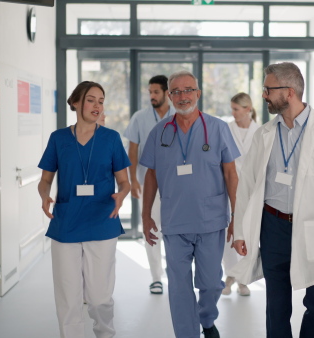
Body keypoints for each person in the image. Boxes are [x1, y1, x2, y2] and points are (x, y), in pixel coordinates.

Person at [230, 62, 314, 338]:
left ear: (289, 91)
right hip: (273, 225)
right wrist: (241, 230)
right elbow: (248, 186)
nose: (263, 95)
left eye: (268, 89)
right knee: (276, 306)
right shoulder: (264, 133)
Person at [140, 70, 240, 338]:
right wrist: (146, 215)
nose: (183, 96)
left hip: (211, 220)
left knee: (210, 284)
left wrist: (237, 216)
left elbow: (231, 174)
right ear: (169, 96)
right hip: (174, 220)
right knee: (179, 287)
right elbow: (151, 174)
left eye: (188, 90)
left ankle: (207, 318)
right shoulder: (159, 132)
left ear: (198, 93)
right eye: (177, 91)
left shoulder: (218, 128)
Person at [38, 81, 131, 338]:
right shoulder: (58, 139)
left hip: (102, 221)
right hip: (66, 223)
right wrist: (45, 195)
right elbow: (45, 180)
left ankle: (104, 333)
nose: (97, 106)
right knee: (68, 296)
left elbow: (124, 182)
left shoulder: (111, 138)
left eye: (101, 101)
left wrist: (121, 195)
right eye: (91, 100)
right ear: (76, 103)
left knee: (100, 296)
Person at [123, 75, 176, 295]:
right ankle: (156, 277)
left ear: (167, 93)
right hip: (149, 183)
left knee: (175, 230)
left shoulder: (180, 115)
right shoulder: (140, 117)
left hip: (177, 185)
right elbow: (132, 149)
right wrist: (133, 179)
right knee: (152, 228)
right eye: (150, 92)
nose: (152, 96)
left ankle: (174, 273)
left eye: (156, 92)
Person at [221, 92, 259, 297]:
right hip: (230, 186)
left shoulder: (260, 131)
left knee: (249, 234)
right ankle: (229, 276)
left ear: (247, 109)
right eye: (232, 109)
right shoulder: (227, 129)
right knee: (231, 231)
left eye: (236, 109)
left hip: (252, 188)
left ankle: (243, 279)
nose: (233, 113)